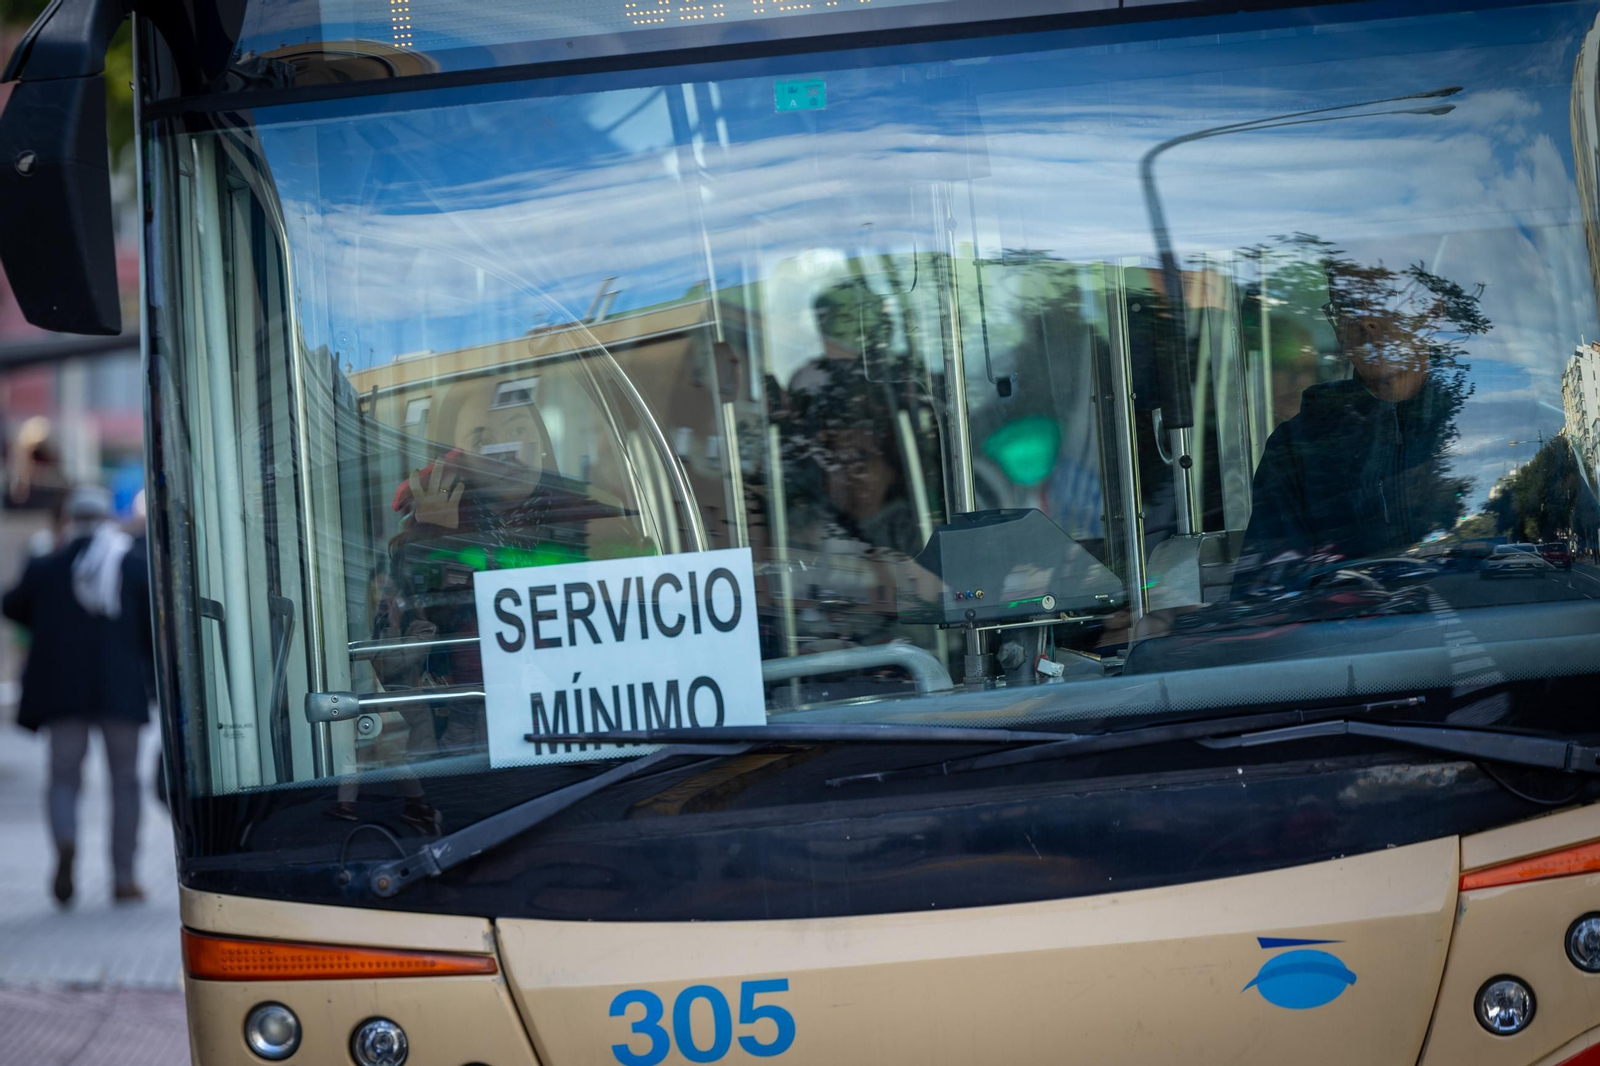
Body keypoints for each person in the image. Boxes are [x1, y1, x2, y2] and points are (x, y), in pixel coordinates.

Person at [1233, 280, 1471, 592]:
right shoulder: (1296, 448)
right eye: (1346, 307)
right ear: (1336, 328)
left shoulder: (1477, 421)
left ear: (1432, 315)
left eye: (1385, 297)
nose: (1364, 320)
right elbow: (1269, 590)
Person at [2, 484, 154, 905]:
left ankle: (66, 841)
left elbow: (12, 605)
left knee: (63, 780)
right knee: (125, 783)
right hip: (121, 694)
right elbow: (151, 630)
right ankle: (124, 878)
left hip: (63, 694)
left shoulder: (48, 566)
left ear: (69, 521)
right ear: (106, 519)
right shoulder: (131, 565)